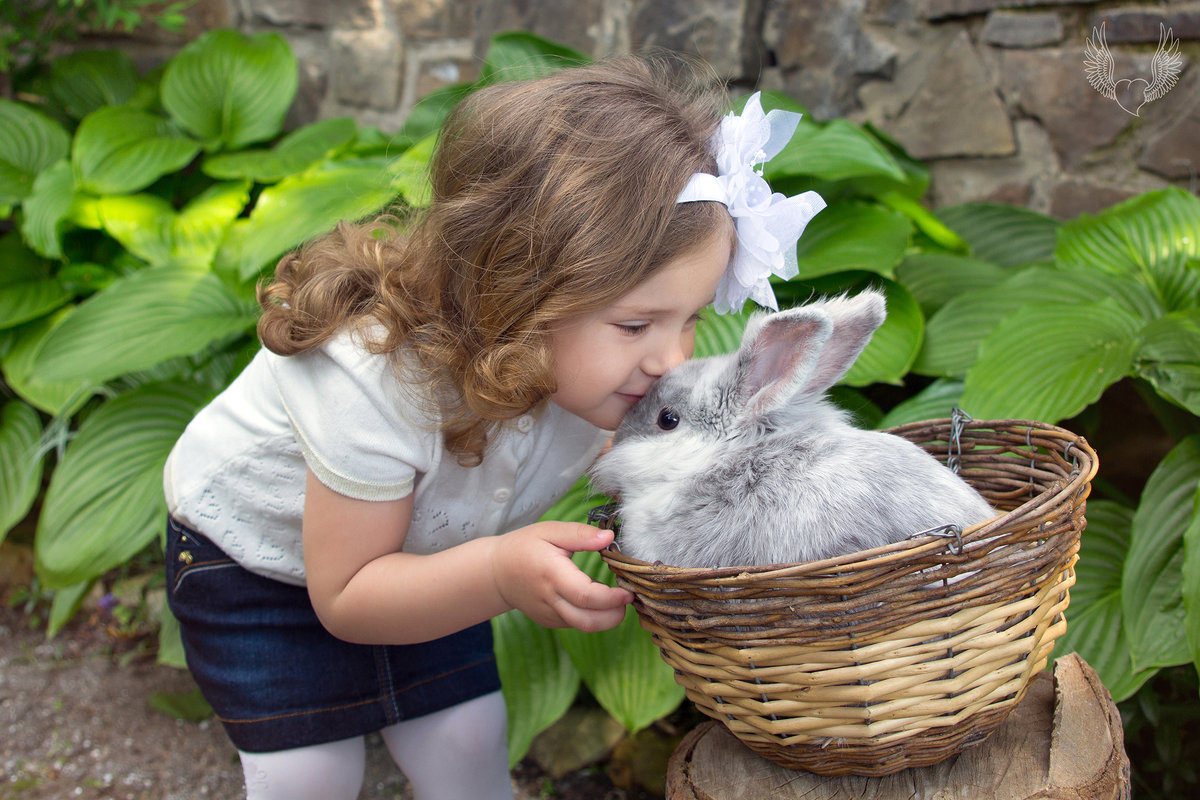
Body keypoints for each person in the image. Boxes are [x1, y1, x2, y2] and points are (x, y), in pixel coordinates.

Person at [163, 54, 823, 800]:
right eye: (637, 323)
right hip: (259, 568)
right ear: (518, 288)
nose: (672, 358)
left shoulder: (593, 375)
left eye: (692, 317)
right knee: (309, 773)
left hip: (429, 558)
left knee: (467, 739)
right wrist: (501, 572)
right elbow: (347, 593)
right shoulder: (373, 384)